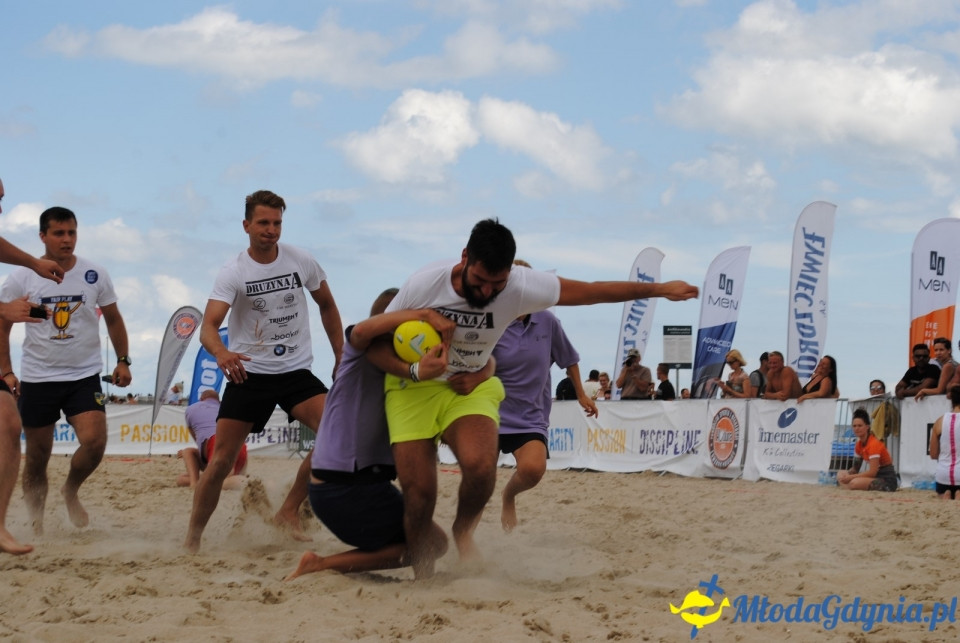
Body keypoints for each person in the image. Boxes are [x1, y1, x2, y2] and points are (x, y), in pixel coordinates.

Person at [383, 218, 698, 578]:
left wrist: (658, 290)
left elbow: (593, 291)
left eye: (496, 285)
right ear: (464, 257)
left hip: (471, 385)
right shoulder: (425, 284)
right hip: (415, 385)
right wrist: (410, 371)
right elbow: (371, 338)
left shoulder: (522, 287)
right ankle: (424, 576)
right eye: (479, 281)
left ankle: (462, 531)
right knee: (420, 493)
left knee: (482, 468)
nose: (486, 293)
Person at [184, 190, 344, 553]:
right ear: (246, 225)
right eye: (263, 223)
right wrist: (222, 352)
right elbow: (208, 325)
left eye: (277, 223)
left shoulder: (301, 260)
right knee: (222, 460)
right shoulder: (234, 272)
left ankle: (288, 511)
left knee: (336, 435)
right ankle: (192, 538)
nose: (271, 231)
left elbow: (328, 305)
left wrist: (340, 354)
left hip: (295, 373)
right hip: (249, 376)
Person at [285, 289, 454, 580]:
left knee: (432, 540)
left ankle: (322, 563)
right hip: (344, 488)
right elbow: (362, 330)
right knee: (434, 544)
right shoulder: (359, 353)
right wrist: (423, 314)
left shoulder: (401, 367)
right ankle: (319, 564)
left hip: (354, 485)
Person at [0, 205, 129, 537]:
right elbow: (3, 322)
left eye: (71, 232)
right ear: (42, 236)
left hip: (83, 375)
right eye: (58, 233)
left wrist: (123, 360)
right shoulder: (22, 276)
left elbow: (113, 318)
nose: (67, 239)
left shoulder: (94, 274)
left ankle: (71, 489)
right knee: (37, 459)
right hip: (38, 377)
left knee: (95, 442)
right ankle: (37, 526)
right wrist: (6, 370)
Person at [494, 260, 598, 532]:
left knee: (532, 471)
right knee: (477, 480)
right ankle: (464, 533)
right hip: (489, 413)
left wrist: (581, 395)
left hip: (529, 416)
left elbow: (570, 360)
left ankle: (508, 496)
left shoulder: (547, 320)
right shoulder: (488, 321)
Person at [0, 179, 66, 555]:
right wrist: (4, 310)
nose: (1, 209)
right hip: (40, 378)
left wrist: (32, 262)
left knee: (9, 426)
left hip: (56, 375)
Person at [177, 390, 247, 490]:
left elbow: (196, 438)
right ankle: (197, 482)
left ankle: (195, 483)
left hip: (217, 444)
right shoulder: (226, 407)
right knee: (186, 461)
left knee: (218, 482)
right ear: (218, 401)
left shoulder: (191, 409)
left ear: (201, 399)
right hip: (239, 445)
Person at [837, 407, 898, 492]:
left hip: (886, 480)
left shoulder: (873, 444)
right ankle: (850, 486)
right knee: (840, 474)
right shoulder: (859, 445)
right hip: (875, 477)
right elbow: (855, 468)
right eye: (854, 426)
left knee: (854, 482)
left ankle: (850, 486)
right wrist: (846, 476)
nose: (856, 428)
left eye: (860, 425)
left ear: (867, 427)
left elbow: (872, 472)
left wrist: (850, 477)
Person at [929, 385, 960, 499]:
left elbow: (933, 454)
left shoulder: (940, 421)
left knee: (944, 492)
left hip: (943, 475)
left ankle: (947, 492)